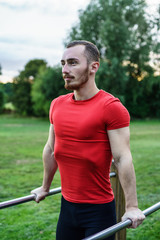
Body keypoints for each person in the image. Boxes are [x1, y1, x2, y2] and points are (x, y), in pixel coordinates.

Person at [31, 40, 145, 240]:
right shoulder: (57, 105)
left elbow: (122, 158)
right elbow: (51, 149)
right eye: (63, 63)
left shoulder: (111, 107)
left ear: (94, 67)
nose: (65, 69)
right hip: (67, 208)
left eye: (73, 62)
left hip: (98, 212)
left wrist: (132, 206)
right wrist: (45, 187)